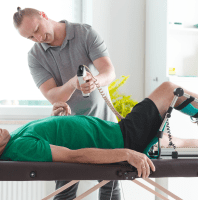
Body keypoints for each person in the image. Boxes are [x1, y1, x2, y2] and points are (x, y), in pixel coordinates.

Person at [0, 81, 198, 179]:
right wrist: (127, 153)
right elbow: (75, 156)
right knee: (168, 91)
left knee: (167, 140)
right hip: (122, 137)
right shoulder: (19, 147)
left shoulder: (15, 137)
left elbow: (60, 140)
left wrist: (59, 120)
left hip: (117, 132)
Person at [13, 7, 119, 200]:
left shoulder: (85, 34)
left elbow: (109, 72)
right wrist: (73, 83)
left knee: (110, 186)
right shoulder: (35, 56)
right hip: (68, 133)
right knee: (64, 191)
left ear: (43, 15)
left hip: (103, 125)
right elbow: (54, 96)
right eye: (30, 37)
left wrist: (94, 82)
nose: (37, 38)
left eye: (36, 30)